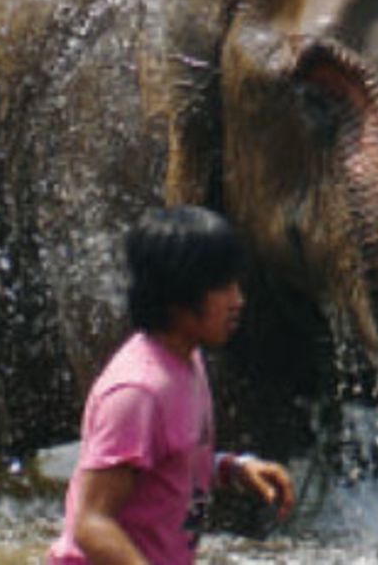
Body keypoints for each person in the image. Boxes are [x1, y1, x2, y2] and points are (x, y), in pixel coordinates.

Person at [48, 206, 296, 565]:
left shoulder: (187, 361)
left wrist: (232, 468)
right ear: (177, 295)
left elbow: (170, 468)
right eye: (222, 287)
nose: (238, 300)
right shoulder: (138, 393)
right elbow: (90, 524)